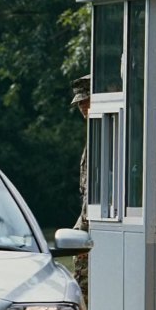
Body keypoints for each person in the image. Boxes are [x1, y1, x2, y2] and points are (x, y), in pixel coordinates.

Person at [69, 74, 91, 298]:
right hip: (88, 212)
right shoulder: (94, 133)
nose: (83, 109)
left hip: (97, 213)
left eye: (86, 102)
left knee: (80, 258)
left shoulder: (106, 132)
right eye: (80, 104)